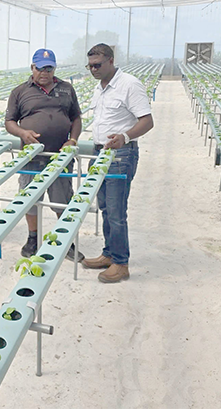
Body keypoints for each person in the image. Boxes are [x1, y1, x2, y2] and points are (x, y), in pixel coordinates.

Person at [81, 44, 154, 283]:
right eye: (90, 65)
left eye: (98, 65)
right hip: (99, 153)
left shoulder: (129, 85)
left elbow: (147, 121)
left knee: (115, 210)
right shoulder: (99, 88)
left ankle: (121, 263)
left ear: (111, 61)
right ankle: (109, 254)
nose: (93, 69)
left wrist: (125, 137)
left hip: (120, 155)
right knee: (104, 207)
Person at [4, 48, 85, 262]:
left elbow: (76, 117)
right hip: (31, 158)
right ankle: (33, 238)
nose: (44, 72)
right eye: (40, 68)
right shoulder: (20, 91)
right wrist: (22, 132)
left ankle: (65, 240)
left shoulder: (66, 89)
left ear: (54, 69)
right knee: (30, 199)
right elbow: (9, 122)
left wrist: (73, 139)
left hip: (59, 156)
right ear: (32, 67)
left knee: (62, 199)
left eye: (49, 68)